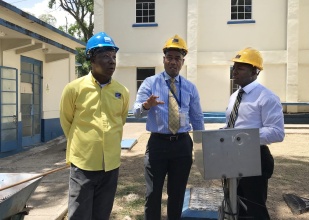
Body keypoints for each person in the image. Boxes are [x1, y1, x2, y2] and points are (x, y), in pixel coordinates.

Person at [133, 34, 205, 220]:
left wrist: (201, 147)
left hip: (182, 145)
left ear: (182, 62)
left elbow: (197, 119)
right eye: (170, 58)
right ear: (163, 60)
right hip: (158, 144)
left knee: (177, 193)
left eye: (177, 59)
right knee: (153, 193)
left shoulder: (190, 88)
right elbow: (136, 112)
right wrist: (146, 106)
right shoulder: (150, 83)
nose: (173, 62)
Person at [59, 32, 129, 220]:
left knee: (102, 215)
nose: (111, 61)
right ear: (91, 58)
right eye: (105, 56)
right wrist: (83, 145)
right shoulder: (74, 89)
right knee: (79, 216)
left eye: (114, 56)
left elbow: (120, 121)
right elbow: (67, 121)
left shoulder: (122, 92)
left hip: (110, 167)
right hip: (83, 165)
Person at [225, 47, 285, 219]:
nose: (235, 71)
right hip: (232, 157)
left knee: (255, 209)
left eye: (240, 68)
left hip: (254, 157)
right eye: (234, 67)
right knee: (236, 205)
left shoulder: (266, 97)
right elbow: (232, 125)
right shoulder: (235, 96)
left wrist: (243, 138)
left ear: (255, 71)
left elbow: (277, 132)